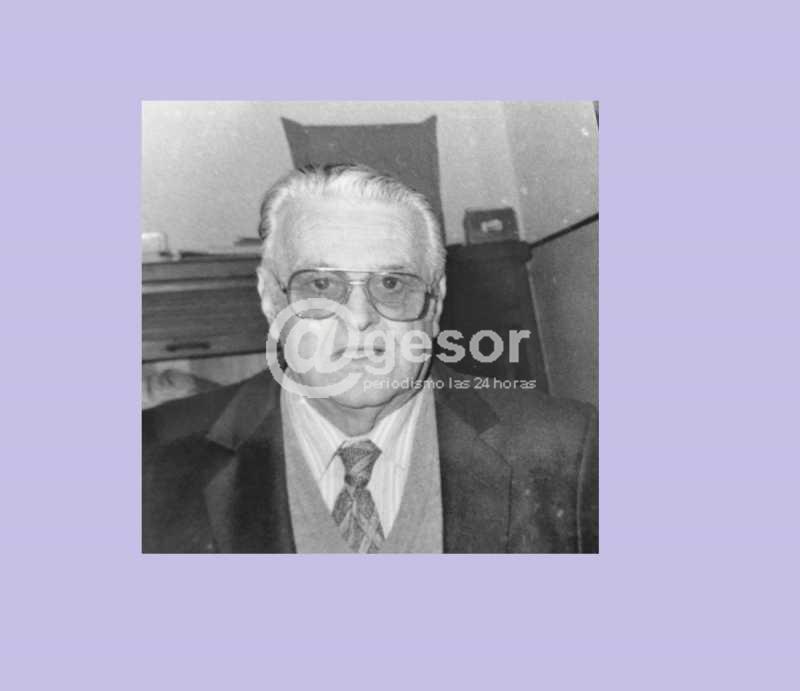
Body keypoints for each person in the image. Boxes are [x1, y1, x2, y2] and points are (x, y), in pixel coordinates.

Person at [142, 164, 598, 553]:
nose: (359, 318)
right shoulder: (150, 459)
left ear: (435, 302)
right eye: (321, 285)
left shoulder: (567, 447)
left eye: (392, 284)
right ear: (269, 299)